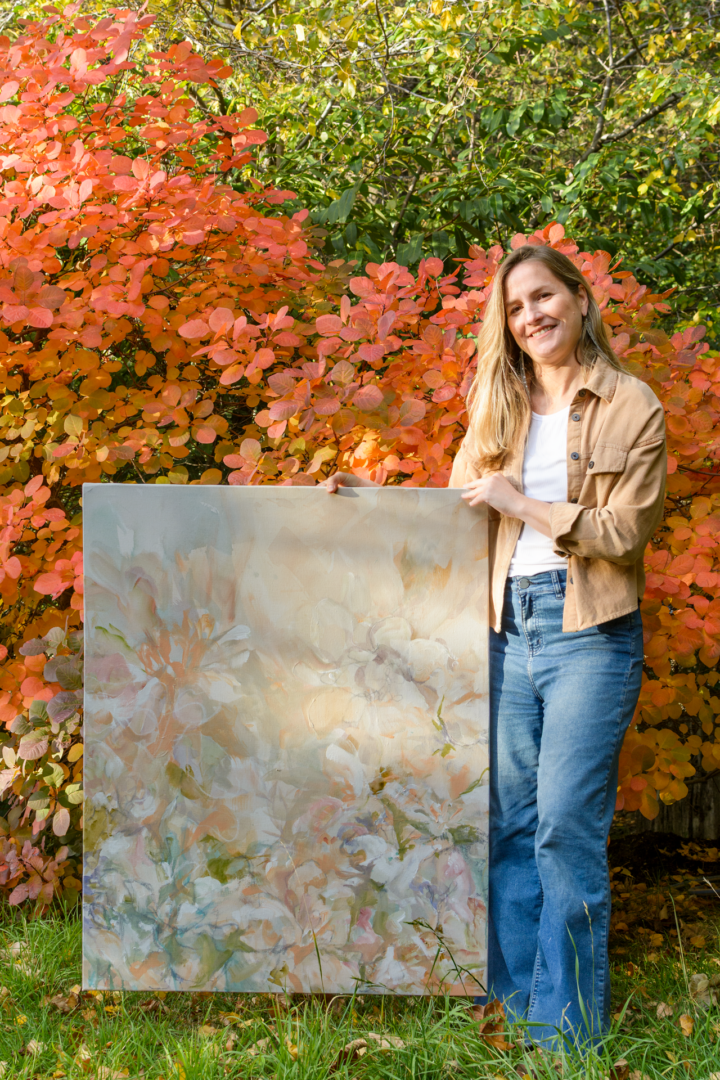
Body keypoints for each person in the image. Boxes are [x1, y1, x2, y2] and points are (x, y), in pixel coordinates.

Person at [323, 244, 666, 1047]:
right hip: (507, 627)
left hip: (591, 634)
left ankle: (566, 1032)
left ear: (580, 299)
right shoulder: (498, 406)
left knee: (564, 829)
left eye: (544, 297)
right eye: (515, 308)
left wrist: (525, 499)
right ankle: (514, 1012)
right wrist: (372, 503)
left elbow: (624, 533)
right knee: (510, 824)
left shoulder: (630, 403)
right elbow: (459, 516)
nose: (531, 316)